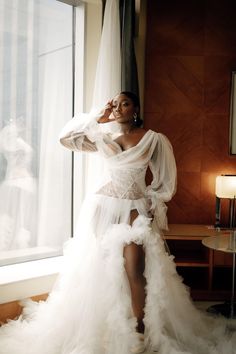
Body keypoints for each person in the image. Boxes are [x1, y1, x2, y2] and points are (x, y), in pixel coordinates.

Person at [0, 91, 235, 354]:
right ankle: (105, 325)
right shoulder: (105, 138)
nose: (119, 108)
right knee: (101, 269)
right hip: (104, 208)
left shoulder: (153, 139)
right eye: (115, 104)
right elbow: (65, 139)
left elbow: (165, 180)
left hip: (134, 208)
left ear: (135, 108)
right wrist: (96, 119)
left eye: (125, 103)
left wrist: (151, 200)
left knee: (135, 269)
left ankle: (139, 332)